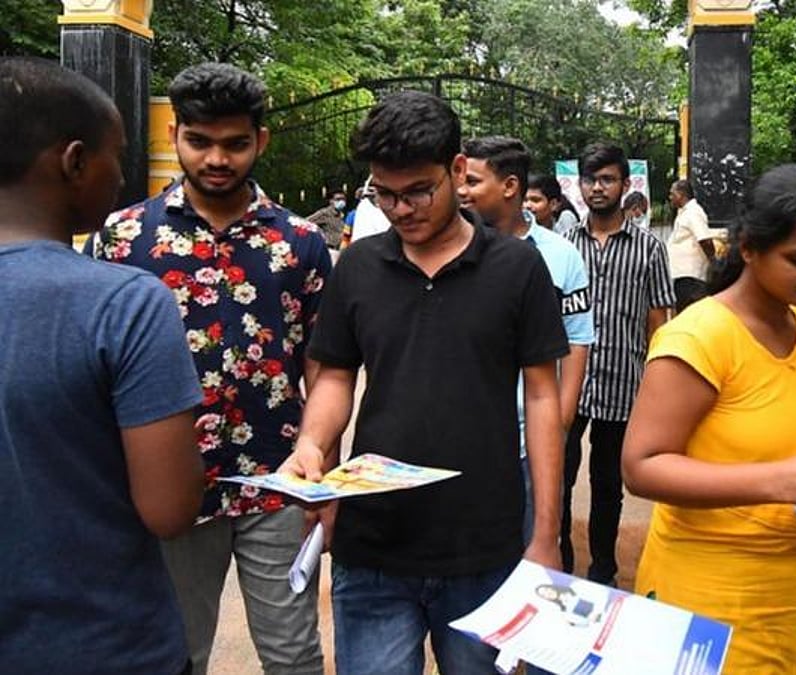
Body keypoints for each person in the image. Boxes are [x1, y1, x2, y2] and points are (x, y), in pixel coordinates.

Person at [276, 90, 568, 674]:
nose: (400, 209)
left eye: (417, 192)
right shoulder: (359, 267)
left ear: (456, 170)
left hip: (484, 545)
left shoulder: (516, 268)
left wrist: (545, 535)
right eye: (384, 194)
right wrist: (311, 443)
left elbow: (542, 397)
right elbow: (335, 375)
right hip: (373, 546)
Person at [86, 63, 329, 674]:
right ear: (174, 135)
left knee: (294, 655)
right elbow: (95, 366)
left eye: (235, 143)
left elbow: (323, 364)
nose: (217, 159)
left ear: (260, 141)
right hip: (166, 484)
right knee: (177, 652)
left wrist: (315, 451)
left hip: (276, 479)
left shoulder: (300, 242)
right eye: (199, 141)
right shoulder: (123, 238)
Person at [623, 164, 796, 673]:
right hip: (710, 601)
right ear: (749, 248)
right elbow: (641, 466)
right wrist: (782, 481)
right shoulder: (698, 337)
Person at [0, 57, 204, 674]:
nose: (121, 174)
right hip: (105, 643)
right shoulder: (125, 304)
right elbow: (170, 510)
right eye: (117, 154)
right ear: (74, 161)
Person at [459, 136, 594, 541]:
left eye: (472, 180)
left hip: (528, 439)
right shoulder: (448, 251)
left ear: (510, 186)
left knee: (533, 544)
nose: (461, 190)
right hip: (460, 437)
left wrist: (559, 422)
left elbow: (577, 340)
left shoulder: (561, 256)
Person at [562, 142, 674, 585]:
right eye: (590, 180)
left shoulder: (649, 249)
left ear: (625, 185)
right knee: (557, 475)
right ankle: (560, 560)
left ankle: (603, 567)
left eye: (607, 179)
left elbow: (658, 320)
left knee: (608, 484)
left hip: (623, 383)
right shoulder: (565, 244)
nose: (597, 188)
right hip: (568, 384)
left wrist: (656, 384)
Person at [667, 179, 716, 313]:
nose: (670, 197)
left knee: (689, 313)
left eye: (672, 194)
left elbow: (705, 240)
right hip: (683, 276)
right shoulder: (684, 212)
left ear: (681, 195)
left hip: (692, 277)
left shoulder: (693, 212)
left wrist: (714, 262)